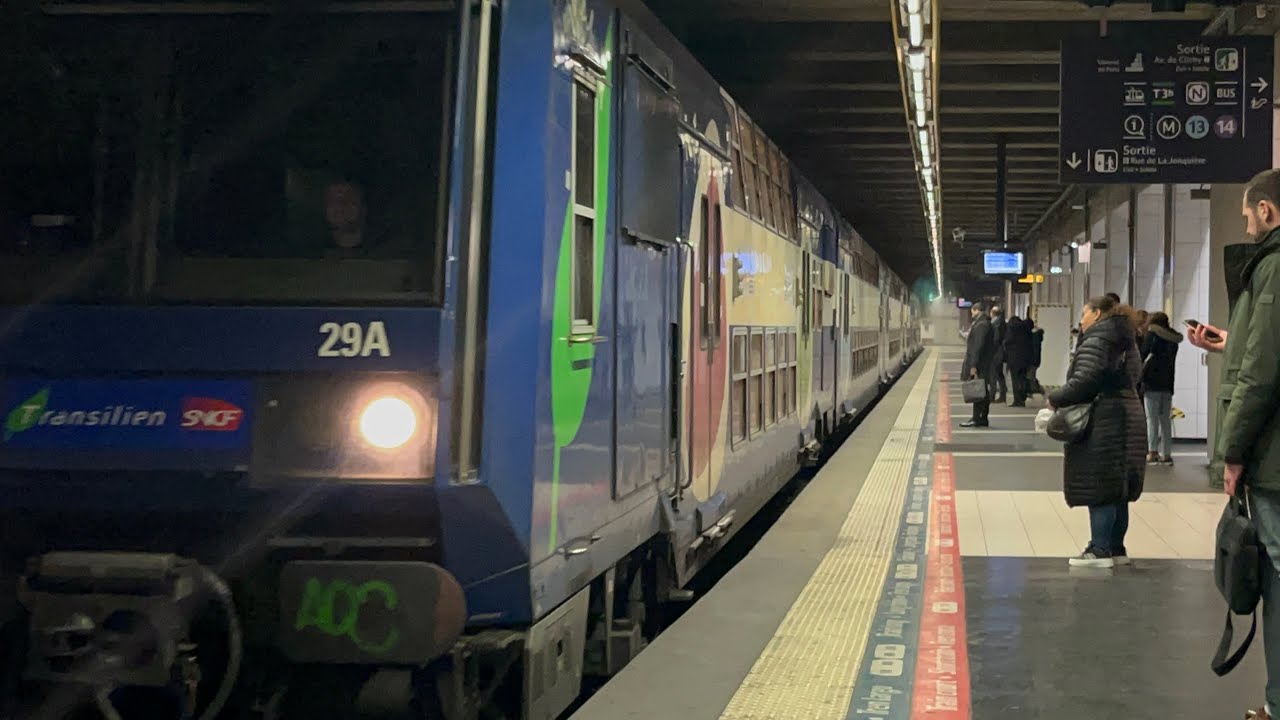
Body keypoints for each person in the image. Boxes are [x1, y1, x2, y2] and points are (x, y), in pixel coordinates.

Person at [1188, 169, 1280, 720]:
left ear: (1267, 211)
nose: (1246, 227)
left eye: (1247, 217)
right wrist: (1231, 342)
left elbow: (1262, 375)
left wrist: (1233, 452)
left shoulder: (1272, 267)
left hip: (1272, 460)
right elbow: (1261, 353)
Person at [1048, 295, 1146, 568]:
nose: (1081, 320)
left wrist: (1056, 398)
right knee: (1118, 489)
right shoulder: (1127, 338)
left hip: (1104, 420)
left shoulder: (1100, 339)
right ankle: (1116, 548)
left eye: (1084, 313)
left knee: (1100, 486)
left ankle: (1099, 549)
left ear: (1098, 313)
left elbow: (1085, 380)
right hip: (1128, 415)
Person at [1140, 312, 1182, 465]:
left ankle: (1152, 451)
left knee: (1152, 419)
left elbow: (1142, 354)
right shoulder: (1173, 340)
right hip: (1168, 383)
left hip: (1152, 382)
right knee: (1165, 420)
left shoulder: (1152, 334)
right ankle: (1167, 453)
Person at [961, 302, 994, 428]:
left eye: (972, 312)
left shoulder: (981, 325)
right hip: (983, 363)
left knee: (979, 391)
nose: (972, 314)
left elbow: (977, 347)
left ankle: (978, 418)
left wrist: (973, 365)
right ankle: (980, 418)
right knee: (981, 391)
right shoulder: (984, 323)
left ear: (977, 310)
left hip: (981, 365)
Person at [1003, 315, 1034, 407]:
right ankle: (1023, 397)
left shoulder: (1012, 329)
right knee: (1022, 378)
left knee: (1015, 380)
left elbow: (1007, 341)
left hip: (1014, 359)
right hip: (1025, 359)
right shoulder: (1026, 329)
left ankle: (1017, 400)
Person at [989, 305, 1008, 403]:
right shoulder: (1002, 322)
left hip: (995, 353)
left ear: (992, 313)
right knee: (999, 374)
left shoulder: (995, 324)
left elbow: (995, 339)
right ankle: (1002, 395)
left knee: (994, 374)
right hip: (1000, 353)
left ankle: (992, 395)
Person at [1029, 322, 1045, 396]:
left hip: (1033, 360)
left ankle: (1037, 389)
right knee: (1032, 375)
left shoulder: (1034, 338)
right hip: (1037, 360)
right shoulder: (1038, 338)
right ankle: (1035, 389)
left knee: (1030, 376)